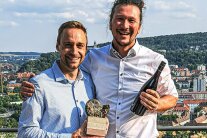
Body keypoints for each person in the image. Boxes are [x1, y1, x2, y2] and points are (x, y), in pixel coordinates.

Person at [21, 0, 178, 137]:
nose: (124, 25)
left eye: (131, 20)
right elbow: (67, 67)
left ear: (139, 26)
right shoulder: (93, 58)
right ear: (110, 23)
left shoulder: (156, 61)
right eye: (119, 19)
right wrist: (35, 84)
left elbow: (172, 97)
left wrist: (158, 104)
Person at [18, 21, 96, 137]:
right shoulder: (39, 84)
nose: (74, 52)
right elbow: (25, 133)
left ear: (85, 49)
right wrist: (70, 137)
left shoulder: (90, 81)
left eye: (80, 45)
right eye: (68, 45)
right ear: (58, 46)